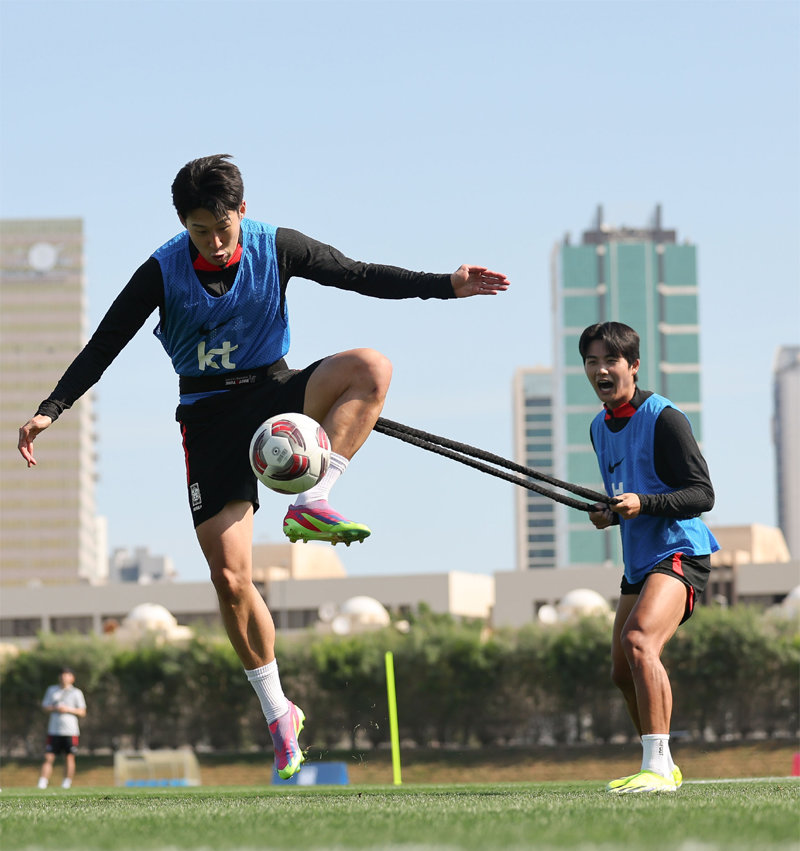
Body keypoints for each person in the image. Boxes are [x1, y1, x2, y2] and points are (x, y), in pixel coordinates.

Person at [18, 154, 509, 780]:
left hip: (277, 394)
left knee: (371, 368)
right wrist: (50, 409)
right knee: (230, 577)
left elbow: (359, 275)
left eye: (223, 228)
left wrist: (445, 283)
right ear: (183, 225)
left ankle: (314, 498)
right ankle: (280, 713)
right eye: (200, 231)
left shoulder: (277, 247)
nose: (215, 243)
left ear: (241, 212)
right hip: (208, 415)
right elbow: (104, 342)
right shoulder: (162, 270)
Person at [579, 321, 719, 794]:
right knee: (622, 669)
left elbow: (702, 494)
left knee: (640, 642)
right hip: (639, 560)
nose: (600, 369)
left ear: (633, 366)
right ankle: (662, 764)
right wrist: (611, 513)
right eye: (592, 361)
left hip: (680, 551)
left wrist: (645, 504)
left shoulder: (664, 417)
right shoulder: (599, 427)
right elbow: (629, 496)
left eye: (610, 360)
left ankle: (657, 769)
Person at [37, 667, 87, 789]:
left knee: (69, 757)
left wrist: (68, 709)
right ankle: (42, 783)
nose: (64, 677)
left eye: (67, 675)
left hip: (70, 731)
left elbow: (82, 712)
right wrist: (55, 708)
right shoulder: (52, 690)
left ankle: (66, 783)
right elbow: (44, 707)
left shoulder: (76, 692)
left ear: (72, 678)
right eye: (62, 675)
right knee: (48, 757)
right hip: (54, 730)